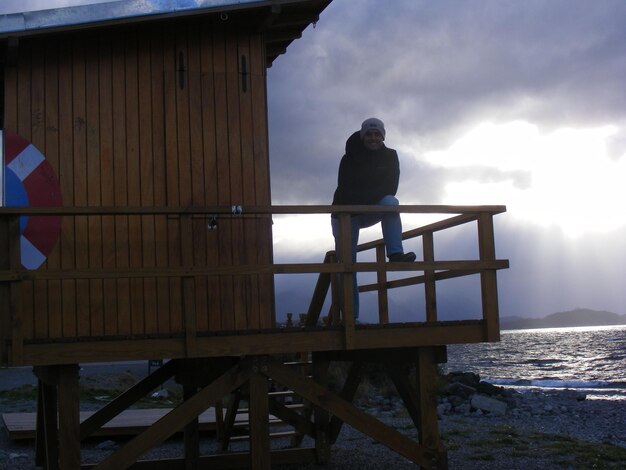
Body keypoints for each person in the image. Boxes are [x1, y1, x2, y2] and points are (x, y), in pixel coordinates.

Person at [331, 117, 416, 318]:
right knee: (347, 265)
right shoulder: (349, 157)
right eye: (368, 134)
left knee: (390, 203)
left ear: (383, 136)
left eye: (377, 134)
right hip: (344, 213)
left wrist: (368, 197)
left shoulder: (391, 156)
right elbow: (345, 190)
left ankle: (395, 253)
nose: (373, 138)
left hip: (368, 209)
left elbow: (390, 188)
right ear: (362, 137)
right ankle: (351, 320)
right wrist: (372, 195)